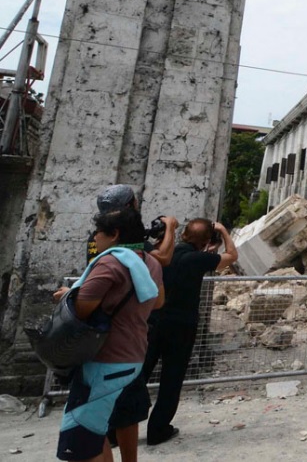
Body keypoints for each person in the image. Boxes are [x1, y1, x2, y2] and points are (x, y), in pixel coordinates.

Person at [54, 208, 164, 462]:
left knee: (82, 438)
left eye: (98, 232)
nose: (95, 238)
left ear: (114, 234)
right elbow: (158, 301)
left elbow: (82, 308)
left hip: (103, 358)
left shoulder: (109, 263)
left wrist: (67, 295)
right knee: (105, 426)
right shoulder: (151, 263)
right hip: (133, 355)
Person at [90, 185, 177, 462]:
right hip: (126, 339)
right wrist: (171, 229)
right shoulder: (128, 243)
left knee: (97, 409)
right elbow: (161, 260)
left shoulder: (98, 239)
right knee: (120, 407)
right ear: (129, 207)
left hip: (100, 334)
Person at [142, 218, 237, 446]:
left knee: (139, 374)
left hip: (153, 322)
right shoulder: (198, 259)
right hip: (181, 326)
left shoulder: (161, 252)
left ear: (184, 234)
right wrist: (223, 231)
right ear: (206, 241)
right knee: (171, 380)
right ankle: (158, 429)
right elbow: (231, 257)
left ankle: (116, 429)